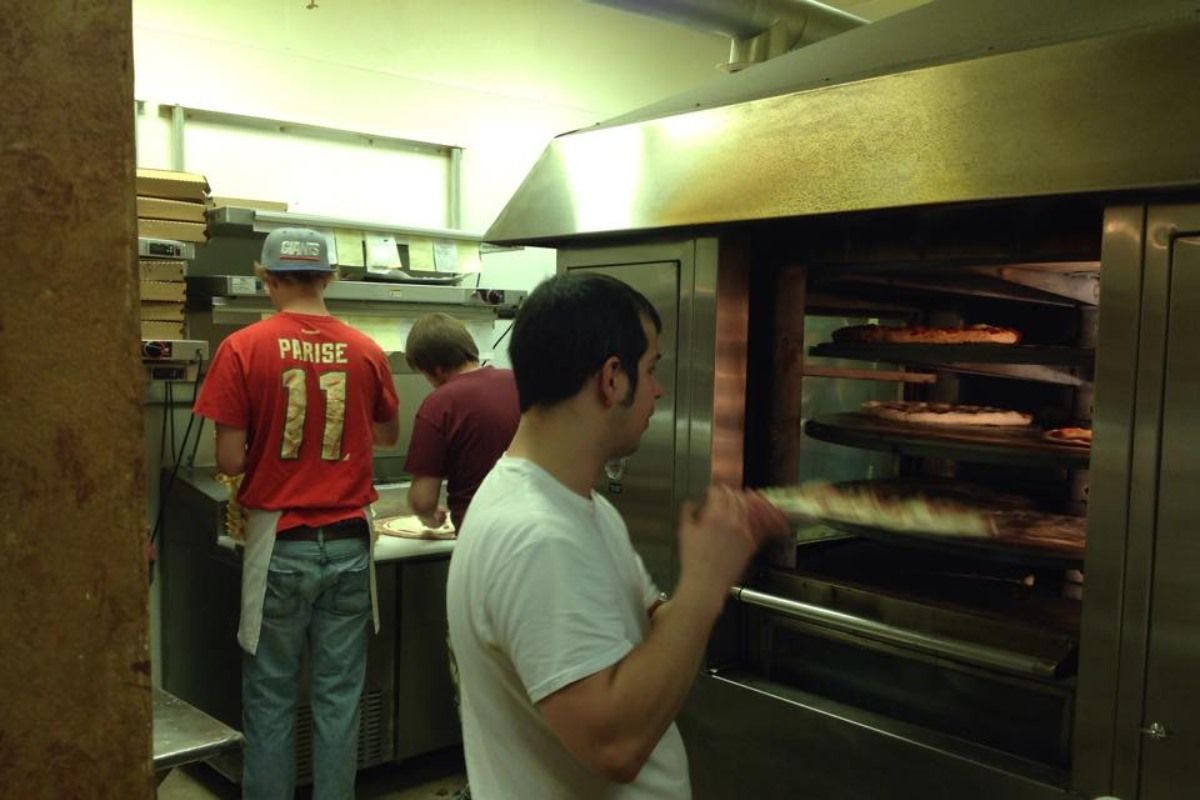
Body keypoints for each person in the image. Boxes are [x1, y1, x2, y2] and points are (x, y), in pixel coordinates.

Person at [446, 272, 788, 799]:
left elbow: (649, 631)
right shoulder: (536, 537)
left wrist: (717, 559)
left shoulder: (581, 508)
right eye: (650, 369)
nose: (657, 389)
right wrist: (702, 585)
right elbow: (614, 745)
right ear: (612, 378)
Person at [193, 227, 400, 800]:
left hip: (281, 543)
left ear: (267, 279)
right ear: (329, 277)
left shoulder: (243, 347)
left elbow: (230, 459)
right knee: (339, 698)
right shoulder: (366, 350)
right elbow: (388, 436)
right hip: (351, 543)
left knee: (271, 698)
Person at [402, 312, 520, 531]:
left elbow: (422, 501)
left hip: (481, 530)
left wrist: (430, 518)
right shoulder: (519, 382)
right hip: (534, 521)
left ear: (435, 369)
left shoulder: (439, 403)